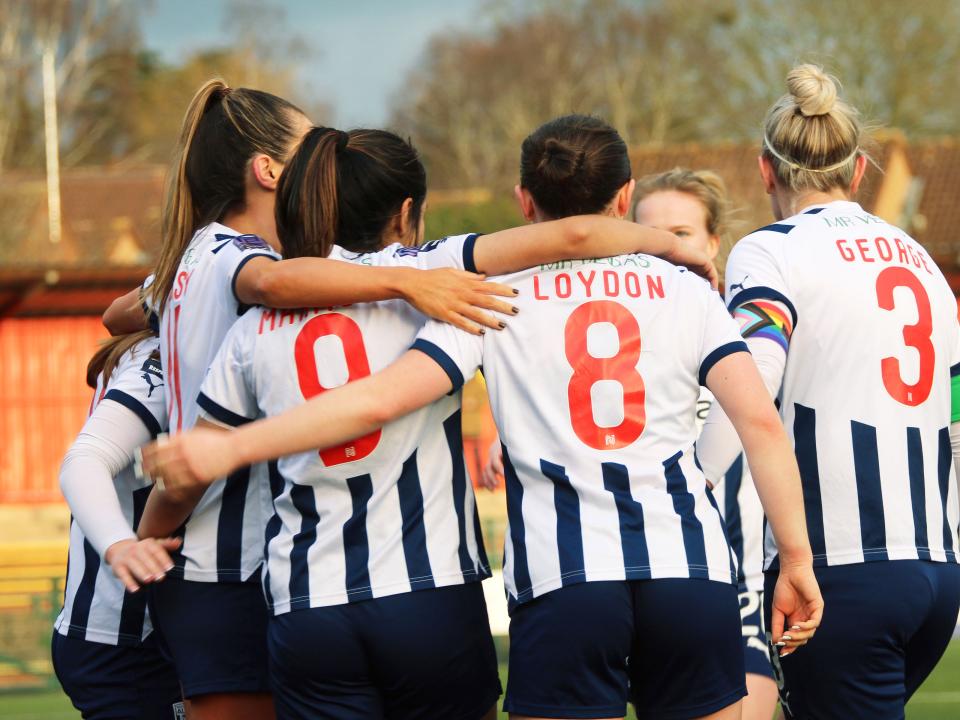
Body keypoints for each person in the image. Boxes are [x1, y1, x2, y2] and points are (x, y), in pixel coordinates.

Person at [140, 115, 823, 720]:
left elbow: (380, 398)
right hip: (685, 568)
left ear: (524, 201)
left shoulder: (486, 296)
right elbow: (760, 424)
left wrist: (228, 450)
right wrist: (795, 557)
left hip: (558, 579)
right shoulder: (683, 287)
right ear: (626, 197)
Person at [106, 79, 539, 720]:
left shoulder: (209, 278)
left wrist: (145, 538)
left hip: (298, 594)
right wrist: (666, 249)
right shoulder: (388, 285)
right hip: (379, 583)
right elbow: (280, 284)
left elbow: (120, 314)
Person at [694, 64, 960, 718]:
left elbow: (748, 392)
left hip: (839, 572)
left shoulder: (769, 252)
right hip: (934, 572)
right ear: (860, 170)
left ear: (765, 172)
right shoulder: (919, 257)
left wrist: (692, 494)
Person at [633, 169, 779, 720]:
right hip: (641, 575)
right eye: (650, 235)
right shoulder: (614, 332)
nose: (667, 250)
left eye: (682, 233)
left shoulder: (753, 329)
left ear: (715, 242)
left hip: (738, 583)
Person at [53, 329, 183, 719]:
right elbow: (84, 460)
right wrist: (119, 543)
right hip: (124, 636)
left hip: (141, 633)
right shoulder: (160, 359)